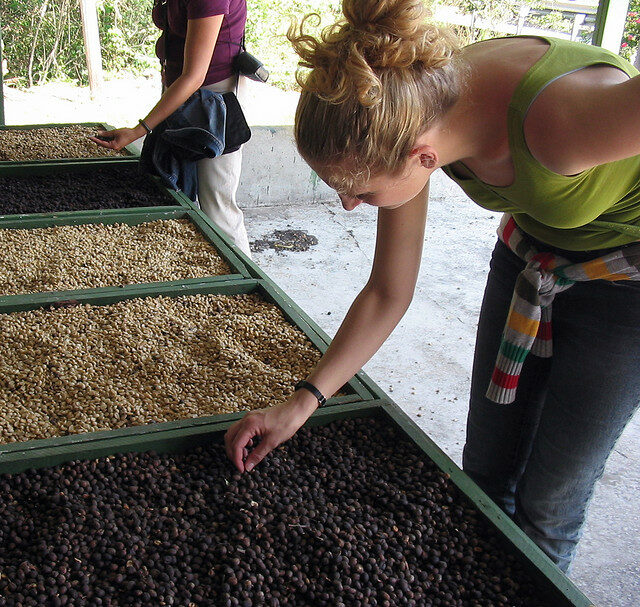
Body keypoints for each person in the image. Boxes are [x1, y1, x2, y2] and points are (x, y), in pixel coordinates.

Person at [225, 0, 640, 574]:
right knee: (486, 473)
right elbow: (388, 291)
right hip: (529, 258)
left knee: (550, 504)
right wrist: (302, 401)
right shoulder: (410, 112)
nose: (348, 207)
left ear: (423, 158)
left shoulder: (561, 123)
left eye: (361, 193)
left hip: (628, 287)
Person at [91, 0, 252, 257]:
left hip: (215, 102)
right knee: (177, 184)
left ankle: (244, 283)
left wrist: (139, 130)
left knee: (217, 204)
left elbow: (195, 75)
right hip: (181, 94)